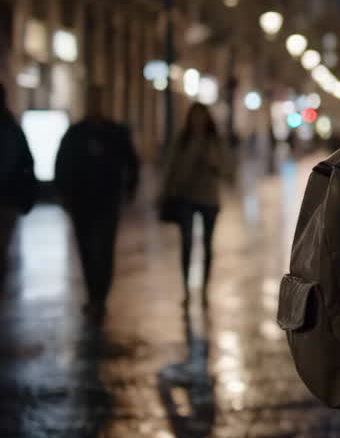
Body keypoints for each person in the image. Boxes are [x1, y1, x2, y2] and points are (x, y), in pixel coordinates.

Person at [53, 85, 139, 321]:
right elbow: (61, 163)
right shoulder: (75, 133)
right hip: (82, 201)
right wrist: (62, 192)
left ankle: (100, 296)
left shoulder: (115, 133)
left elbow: (131, 162)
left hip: (107, 200)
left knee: (105, 249)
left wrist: (130, 189)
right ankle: (93, 295)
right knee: (86, 249)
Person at [159, 102, 231, 306]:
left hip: (209, 199)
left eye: (201, 117)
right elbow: (173, 168)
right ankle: (186, 290)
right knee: (187, 243)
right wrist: (166, 190)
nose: (198, 121)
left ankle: (205, 290)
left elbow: (226, 168)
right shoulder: (183, 140)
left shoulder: (214, 140)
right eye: (194, 117)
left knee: (207, 245)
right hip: (186, 198)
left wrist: (210, 157)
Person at [0, 82, 36, 216]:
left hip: (8, 197)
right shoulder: (12, 129)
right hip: (10, 197)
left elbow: (25, 161)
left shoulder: (11, 130)